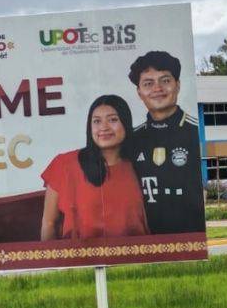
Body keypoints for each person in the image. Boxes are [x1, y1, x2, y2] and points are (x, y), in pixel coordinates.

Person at [40, 95, 149, 240]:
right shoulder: (65, 164)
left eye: (113, 120)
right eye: (97, 121)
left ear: (126, 123)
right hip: (81, 260)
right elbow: (49, 223)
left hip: (134, 260)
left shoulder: (138, 164)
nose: (104, 127)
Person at [127, 50, 206, 235]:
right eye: (148, 83)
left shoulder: (196, 133)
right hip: (144, 244)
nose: (157, 88)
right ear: (139, 92)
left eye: (165, 80)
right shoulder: (130, 141)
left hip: (191, 240)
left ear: (177, 85)